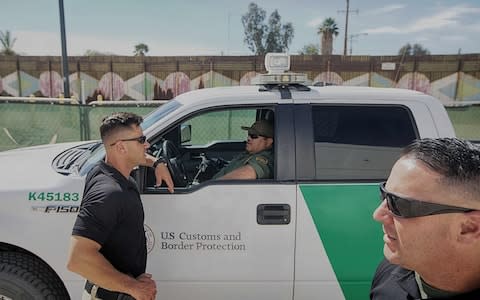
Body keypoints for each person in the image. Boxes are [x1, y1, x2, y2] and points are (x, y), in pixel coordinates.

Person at [67, 112, 174, 300]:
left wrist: (157, 162)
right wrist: (134, 287)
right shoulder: (109, 194)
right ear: (121, 147)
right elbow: (77, 259)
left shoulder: (104, 170)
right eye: (141, 140)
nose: (147, 145)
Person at [370, 138, 480, 300]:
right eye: (384, 194)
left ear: (469, 228)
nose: (378, 215)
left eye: (399, 204)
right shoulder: (390, 275)